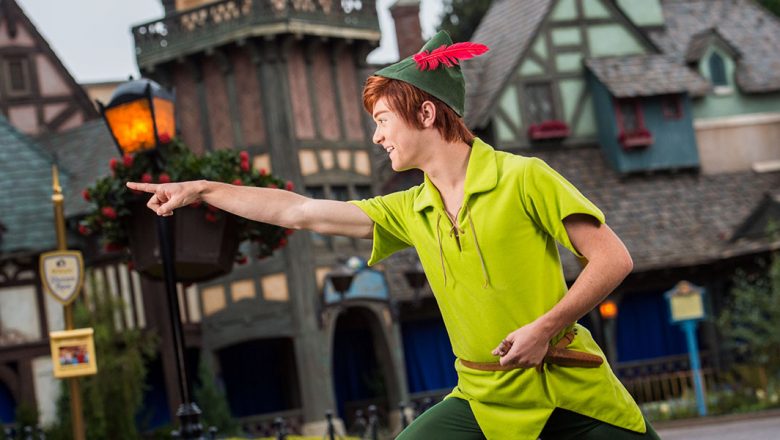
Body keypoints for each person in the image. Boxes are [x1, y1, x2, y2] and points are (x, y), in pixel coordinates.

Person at [129, 31, 659, 440]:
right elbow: (300, 210)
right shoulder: (411, 209)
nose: (377, 135)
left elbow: (613, 259)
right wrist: (203, 189)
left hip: (572, 391)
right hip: (484, 399)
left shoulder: (525, 178)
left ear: (426, 113)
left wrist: (546, 326)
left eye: (383, 119)